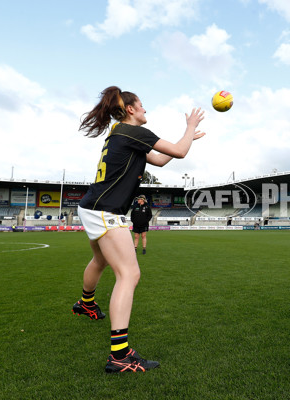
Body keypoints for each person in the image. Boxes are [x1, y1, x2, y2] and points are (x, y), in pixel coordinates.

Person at [71, 86, 205, 372]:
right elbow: (179, 152)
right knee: (129, 274)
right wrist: (189, 127)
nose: (145, 110)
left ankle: (85, 303)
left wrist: (187, 138)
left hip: (92, 206)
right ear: (130, 109)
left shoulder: (121, 132)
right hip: (105, 211)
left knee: (100, 260)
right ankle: (119, 356)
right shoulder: (134, 132)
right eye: (142, 105)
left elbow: (159, 158)